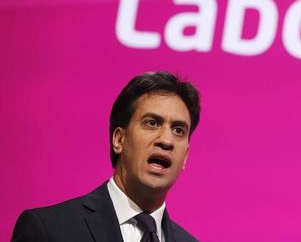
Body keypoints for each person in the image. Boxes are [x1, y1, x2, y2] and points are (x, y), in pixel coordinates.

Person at [12, 71, 201, 242]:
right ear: (119, 140)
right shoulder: (49, 230)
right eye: (152, 123)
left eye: (178, 130)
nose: (167, 141)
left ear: (185, 156)